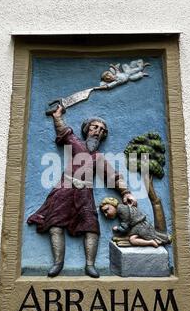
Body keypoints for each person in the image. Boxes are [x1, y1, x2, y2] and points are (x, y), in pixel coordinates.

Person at [27, 105, 137, 278]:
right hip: (65, 188)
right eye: (95, 127)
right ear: (87, 130)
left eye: (102, 130)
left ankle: (90, 265)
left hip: (85, 192)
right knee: (55, 224)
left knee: (91, 227)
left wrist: (126, 192)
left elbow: (113, 176)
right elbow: (64, 131)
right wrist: (57, 116)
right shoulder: (76, 144)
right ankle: (58, 263)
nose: (98, 132)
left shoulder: (98, 158)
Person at [100, 197, 170, 248]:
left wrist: (117, 228)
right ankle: (155, 240)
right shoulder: (121, 209)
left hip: (141, 226)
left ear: (113, 205)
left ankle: (151, 242)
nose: (106, 214)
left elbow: (125, 227)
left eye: (107, 210)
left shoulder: (122, 210)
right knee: (131, 238)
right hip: (138, 226)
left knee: (132, 239)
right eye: (104, 213)